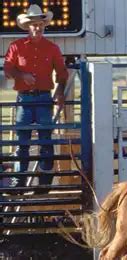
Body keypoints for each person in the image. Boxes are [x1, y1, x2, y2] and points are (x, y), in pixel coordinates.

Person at [3, 5, 68, 188]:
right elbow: (8, 68)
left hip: (44, 98)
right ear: (28, 27)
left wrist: (60, 90)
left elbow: (62, 73)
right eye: (34, 25)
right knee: (22, 141)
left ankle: (44, 181)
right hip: (24, 98)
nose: (37, 28)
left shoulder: (52, 48)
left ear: (43, 26)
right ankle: (19, 181)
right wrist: (22, 76)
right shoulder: (16, 47)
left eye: (40, 24)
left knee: (45, 140)